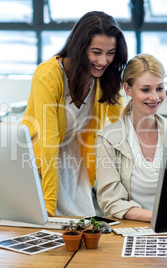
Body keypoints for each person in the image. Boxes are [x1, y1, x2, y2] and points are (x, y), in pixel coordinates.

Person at [22, 11, 128, 217]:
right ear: (79, 48)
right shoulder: (48, 74)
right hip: (41, 165)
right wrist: (48, 205)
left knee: (82, 230)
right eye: (95, 52)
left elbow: (122, 125)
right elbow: (49, 140)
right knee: (47, 234)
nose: (103, 61)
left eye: (110, 53)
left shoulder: (106, 77)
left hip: (74, 166)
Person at [95, 54, 167, 222]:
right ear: (127, 89)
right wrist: (160, 217)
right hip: (131, 230)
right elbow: (111, 202)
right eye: (145, 89)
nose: (155, 97)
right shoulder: (108, 139)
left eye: (160, 88)